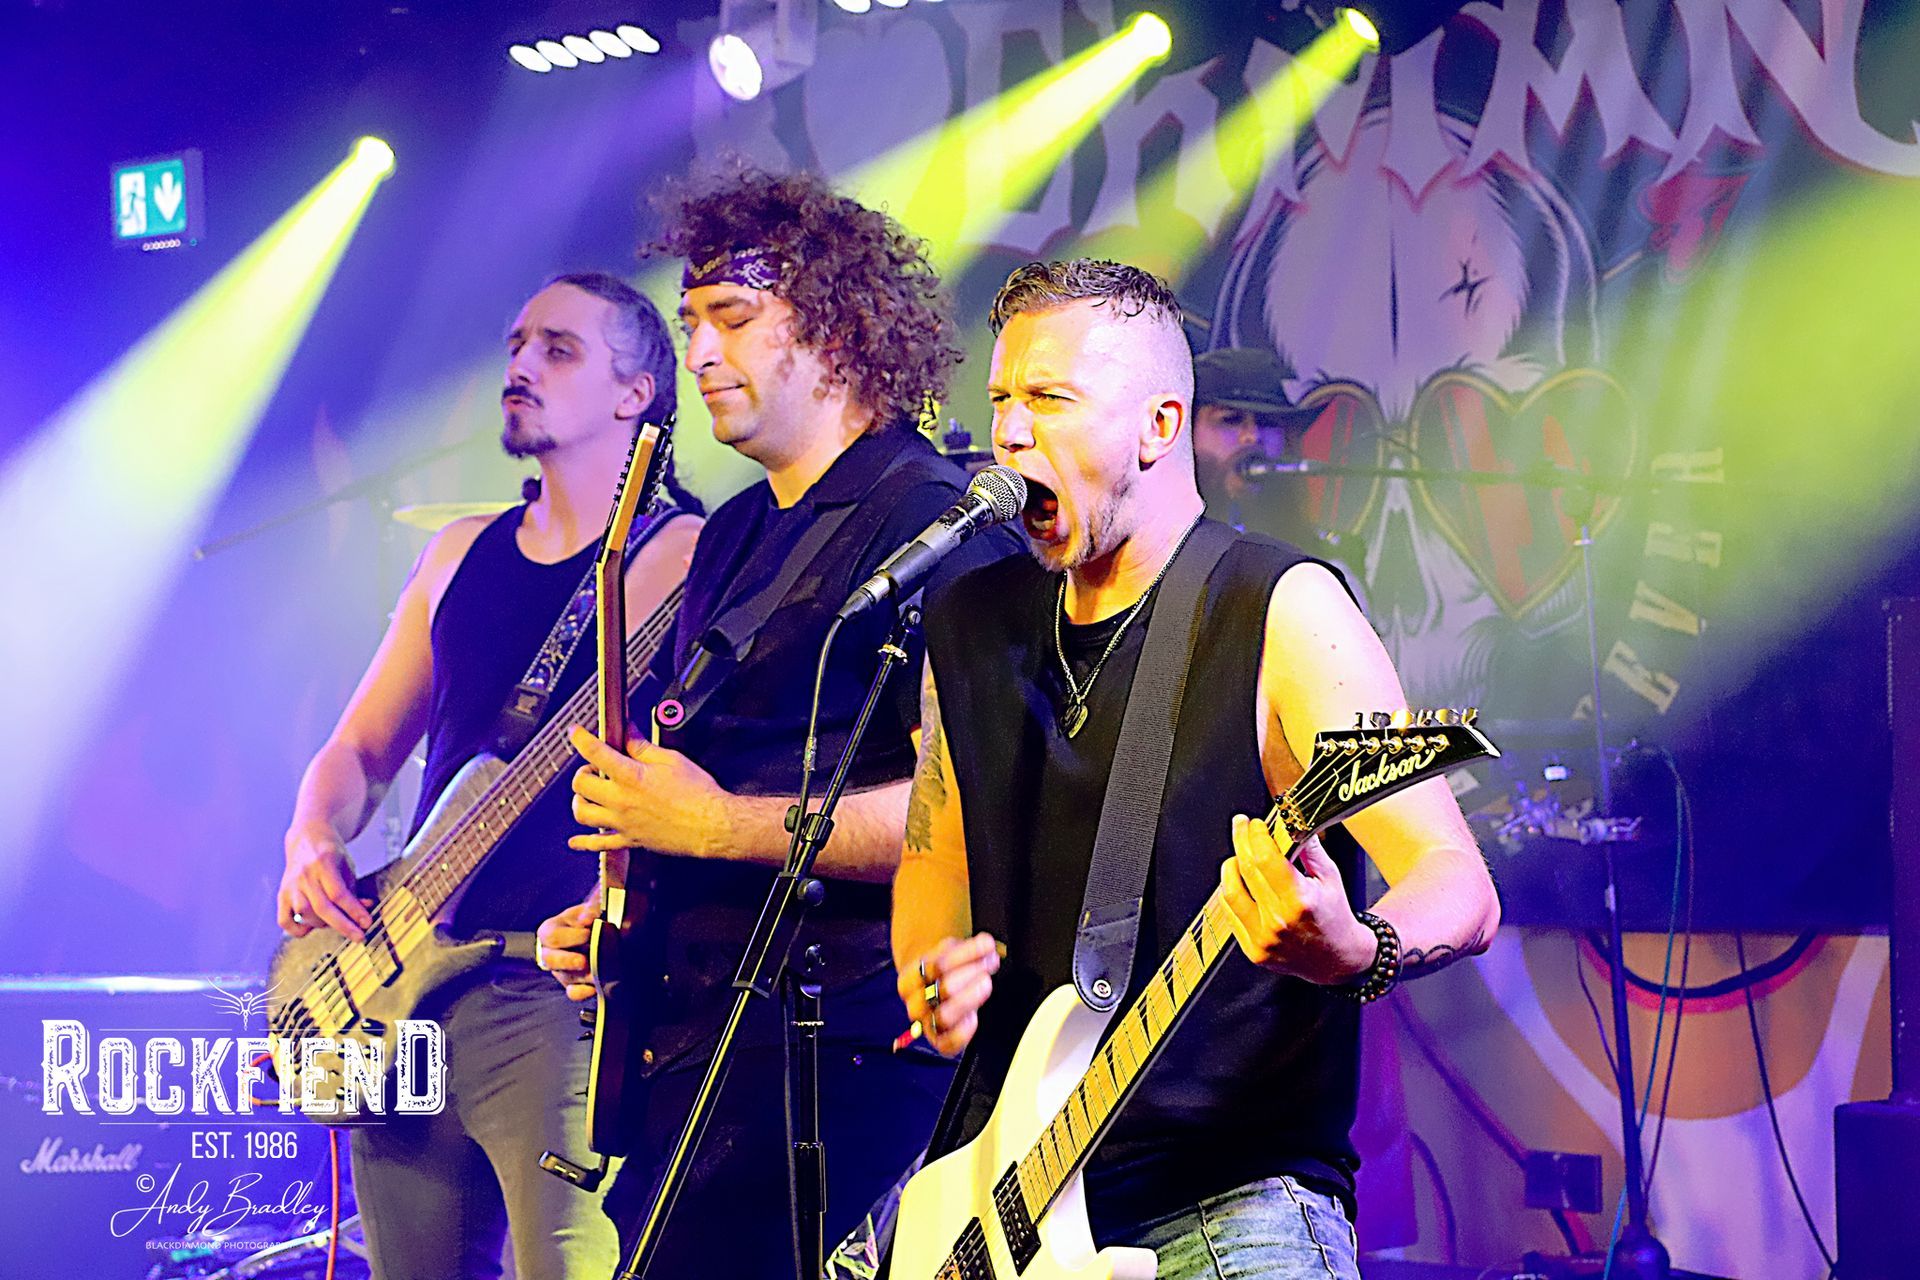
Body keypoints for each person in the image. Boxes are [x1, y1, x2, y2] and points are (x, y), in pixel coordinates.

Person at [894, 259, 1500, 1279]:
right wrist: (932, 967)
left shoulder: (1278, 607)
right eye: (1000, 400)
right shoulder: (969, 621)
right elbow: (933, 855)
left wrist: (1358, 948)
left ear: (1159, 425)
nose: (1009, 434)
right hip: (1004, 1201)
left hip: (1225, 1205)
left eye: (1048, 399)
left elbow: (1458, 880)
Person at [533, 168, 1017, 1276]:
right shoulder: (732, 531)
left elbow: (971, 811)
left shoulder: (938, 525)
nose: (699, 352)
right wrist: (626, 914)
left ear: (837, 331)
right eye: (691, 323)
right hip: (698, 1058)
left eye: (734, 319)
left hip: (847, 1065)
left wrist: (716, 828)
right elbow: (710, 778)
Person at [277, 272, 703, 1280]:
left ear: (636, 392)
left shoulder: (691, 557)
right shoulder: (456, 553)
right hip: (398, 985)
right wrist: (311, 836)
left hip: (556, 996)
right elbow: (359, 751)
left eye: (559, 349)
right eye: (517, 344)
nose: (521, 365)